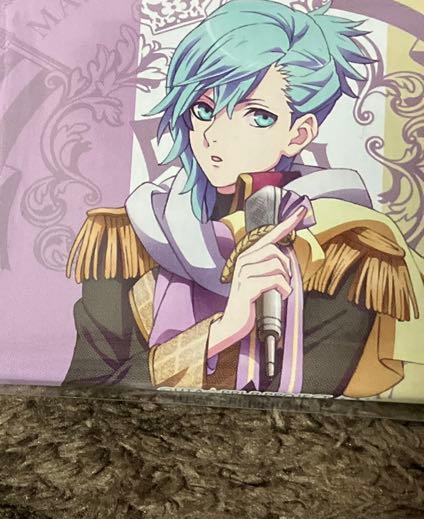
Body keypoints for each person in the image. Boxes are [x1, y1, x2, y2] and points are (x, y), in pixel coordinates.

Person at [63, 0, 423, 398]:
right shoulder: (127, 237)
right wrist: (221, 331)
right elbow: (86, 392)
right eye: (203, 108)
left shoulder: (345, 251)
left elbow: (305, 406)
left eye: (257, 116)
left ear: (299, 134)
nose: (216, 136)